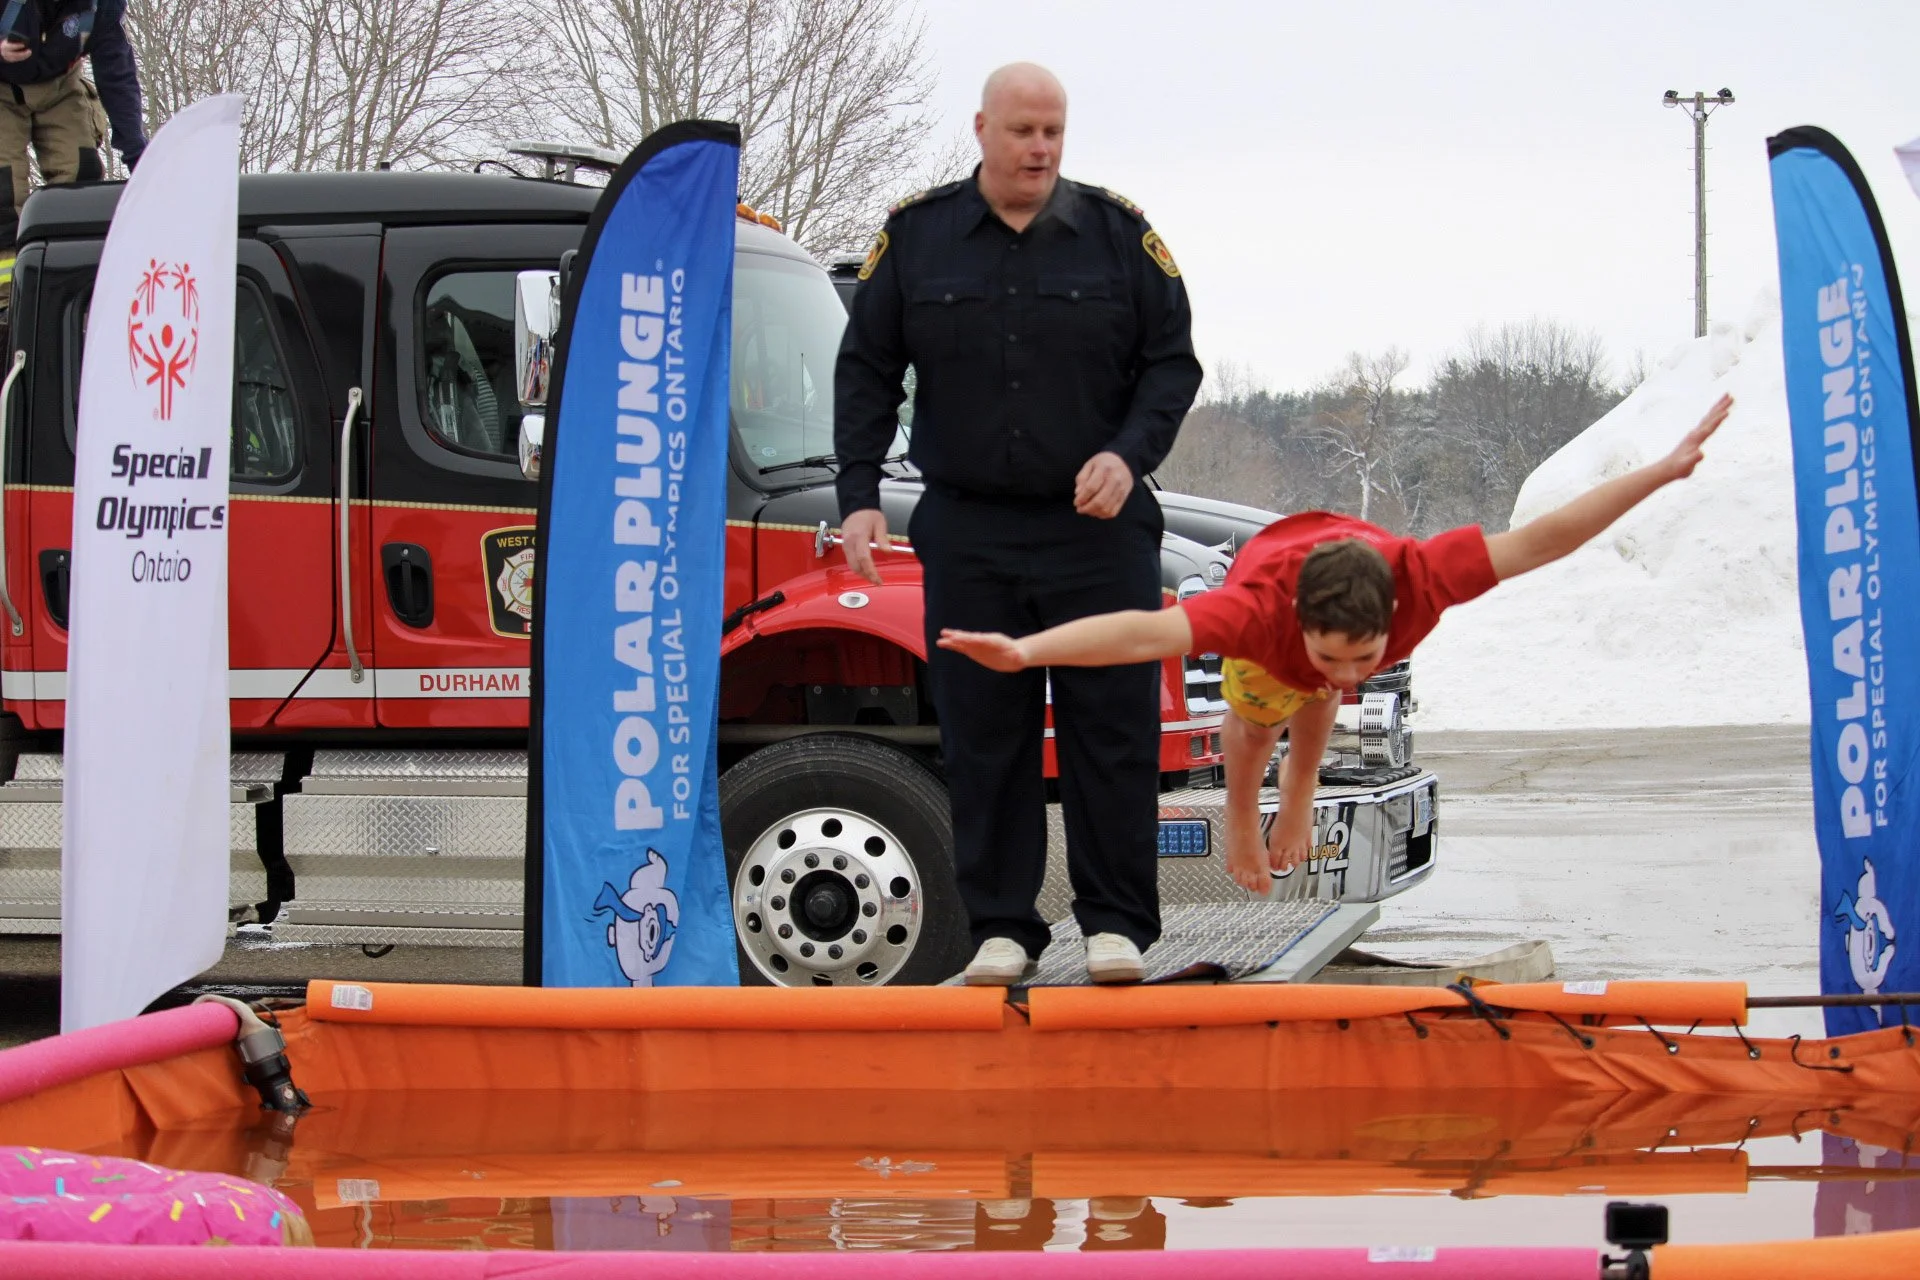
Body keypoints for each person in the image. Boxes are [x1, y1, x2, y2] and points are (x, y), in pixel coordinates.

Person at [940, 394, 1734, 895]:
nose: (1354, 675)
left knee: (1313, 697)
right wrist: (1026, 650)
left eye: (1367, 657)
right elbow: (1140, 631)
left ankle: (1303, 785)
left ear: (1395, 612)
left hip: (1348, 559)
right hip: (1277, 561)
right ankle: (1254, 811)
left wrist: (1662, 472)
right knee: (1256, 722)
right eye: (1335, 657)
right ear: (1302, 627)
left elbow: (1543, 539)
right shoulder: (1255, 614)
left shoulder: (1424, 576)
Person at [834, 62, 1202, 985]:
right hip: (968, 529)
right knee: (983, 729)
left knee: (1109, 730)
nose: (1040, 149)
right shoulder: (916, 238)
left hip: (1099, 531)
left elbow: (1172, 365)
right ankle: (1002, 927)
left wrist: (1129, 453)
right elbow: (866, 369)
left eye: (1054, 132)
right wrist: (859, 492)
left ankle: (1115, 925)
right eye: (1023, 131)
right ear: (981, 130)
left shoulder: (1120, 235)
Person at [0, 0, 147, 306]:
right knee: (3, 194)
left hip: (59, 87)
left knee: (81, 183)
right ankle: (7, 301)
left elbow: (117, 75)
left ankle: (77, 291)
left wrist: (137, 153)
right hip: (2, 88)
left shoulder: (101, 8)